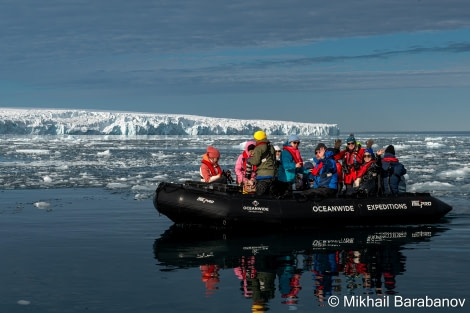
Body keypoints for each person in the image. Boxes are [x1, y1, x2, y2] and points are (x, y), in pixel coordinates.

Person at [245, 130, 277, 195]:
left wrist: (249, 160)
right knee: (270, 195)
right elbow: (274, 159)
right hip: (273, 175)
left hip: (263, 176)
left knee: (260, 196)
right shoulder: (271, 147)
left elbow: (256, 161)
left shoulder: (258, 148)